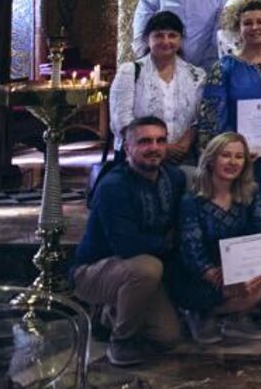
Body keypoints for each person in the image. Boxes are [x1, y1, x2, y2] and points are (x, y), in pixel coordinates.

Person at [70, 116, 185, 366]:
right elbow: (127, 246)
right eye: (144, 141)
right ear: (128, 147)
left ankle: (108, 314)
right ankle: (121, 340)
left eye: (160, 140)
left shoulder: (173, 178)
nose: (154, 147)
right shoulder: (114, 186)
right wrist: (168, 243)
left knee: (167, 336)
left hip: (138, 269)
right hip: (95, 270)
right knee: (148, 268)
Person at [171, 132, 261, 344]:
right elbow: (192, 250)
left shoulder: (251, 192)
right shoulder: (191, 201)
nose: (233, 162)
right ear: (210, 159)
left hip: (238, 268)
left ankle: (237, 318)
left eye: (239, 156)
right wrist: (211, 273)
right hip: (201, 275)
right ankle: (201, 314)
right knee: (219, 289)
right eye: (225, 155)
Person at [202, 0, 261, 217]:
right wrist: (234, 151)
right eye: (248, 23)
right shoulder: (224, 68)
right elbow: (212, 119)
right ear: (238, 28)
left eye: (260, 22)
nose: (255, 28)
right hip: (236, 163)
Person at [109, 11, 205, 162]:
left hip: (183, 157)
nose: (166, 41)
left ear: (180, 40)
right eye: (159, 35)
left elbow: (199, 119)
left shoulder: (196, 75)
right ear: (148, 39)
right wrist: (161, 147)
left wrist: (186, 142)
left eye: (172, 35)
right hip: (139, 158)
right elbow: (121, 120)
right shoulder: (130, 72)